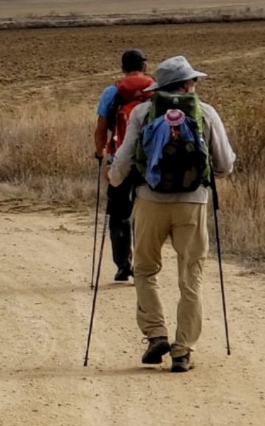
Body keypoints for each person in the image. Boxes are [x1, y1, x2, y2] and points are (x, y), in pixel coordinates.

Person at [107, 56, 237, 373]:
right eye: (194, 80)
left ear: (160, 87)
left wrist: (113, 179)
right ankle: (182, 351)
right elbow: (225, 164)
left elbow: (123, 159)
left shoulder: (142, 112)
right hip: (192, 203)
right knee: (190, 277)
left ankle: (156, 334)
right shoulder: (205, 112)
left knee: (145, 271)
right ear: (188, 84)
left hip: (149, 201)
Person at [92, 48, 155, 281]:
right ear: (145, 67)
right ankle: (143, 264)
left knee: (119, 214)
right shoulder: (154, 90)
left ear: (122, 68)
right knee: (146, 214)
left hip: (118, 158)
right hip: (148, 161)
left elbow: (101, 127)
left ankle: (122, 266)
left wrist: (100, 154)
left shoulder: (112, 92)